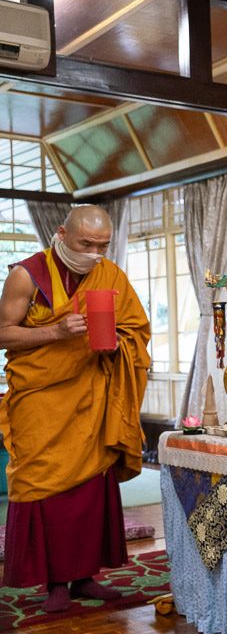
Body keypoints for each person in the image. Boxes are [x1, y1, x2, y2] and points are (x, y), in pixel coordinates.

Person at [0, 205, 150, 612]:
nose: (95, 253)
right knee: (41, 484)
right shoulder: (26, 275)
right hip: (41, 399)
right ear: (62, 233)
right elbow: (3, 333)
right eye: (86, 244)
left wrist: (121, 342)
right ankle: (54, 584)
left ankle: (85, 577)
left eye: (103, 245)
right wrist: (55, 330)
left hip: (91, 394)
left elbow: (136, 327)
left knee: (89, 489)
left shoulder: (111, 275)